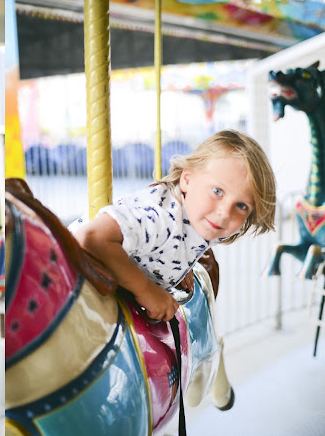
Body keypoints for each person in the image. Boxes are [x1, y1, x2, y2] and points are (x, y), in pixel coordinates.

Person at [72, 129, 276, 323]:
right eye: (217, 191)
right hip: (72, 284)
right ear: (187, 179)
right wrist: (146, 290)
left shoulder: (204, 221)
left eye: (241, 205)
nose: (225, 213)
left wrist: (175, 263)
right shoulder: (160, 219)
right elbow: (91, 238)